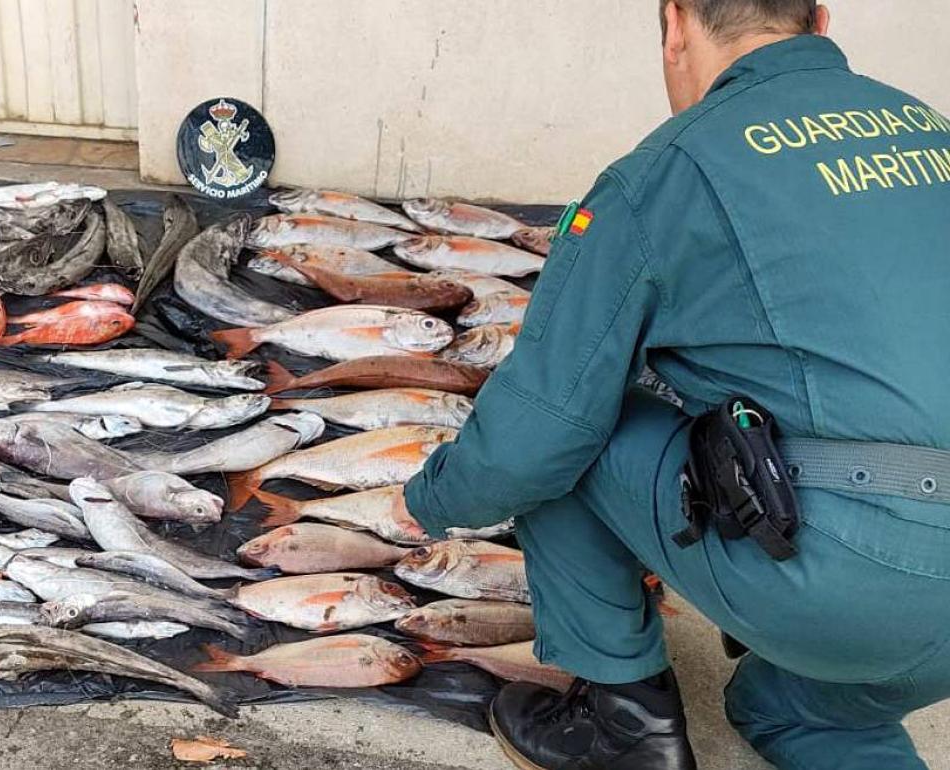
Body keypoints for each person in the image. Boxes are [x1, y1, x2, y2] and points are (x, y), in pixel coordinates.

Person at [400, 2, 950, 769]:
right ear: (819, 21)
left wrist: (424, 503)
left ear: (675, 23)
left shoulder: (667, 171)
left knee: (575, 426)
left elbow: (536, 438)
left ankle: (626, 731)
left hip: (856, 587)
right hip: (930, 641)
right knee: (800, 713)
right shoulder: (930, 130)